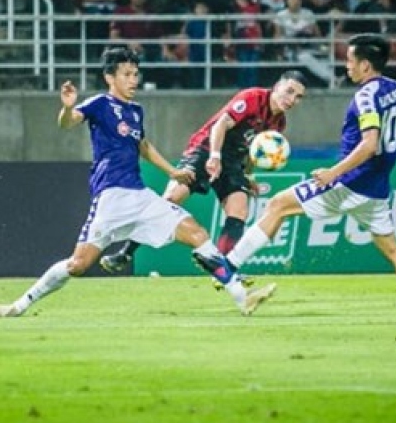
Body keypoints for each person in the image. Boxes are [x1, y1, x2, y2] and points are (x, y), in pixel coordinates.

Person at [0, 47, 273, 318]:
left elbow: (143, 146)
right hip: (111, 196)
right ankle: (20, 304)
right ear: (109, 77)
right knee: (78, 265)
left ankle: (242, 298)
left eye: (135, 74)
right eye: (126, 74)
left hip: (139, 195)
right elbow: (69, 122)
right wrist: (66, 108)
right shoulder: (100, 104)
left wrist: (172, 173)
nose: (133, 79)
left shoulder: (136, 111)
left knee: (196, 234)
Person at [220, 34, 396, 327]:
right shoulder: (393, 89)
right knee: (393, 250)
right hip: (377, 190)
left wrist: (334, 173)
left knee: (279, 205)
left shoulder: (366, 96)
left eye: (350, 60)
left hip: (349, 182)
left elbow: (369, 144)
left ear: (366, 65)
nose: (346, 67)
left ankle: (227, 265)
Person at [99, 70, 308, 278]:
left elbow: (253, 152)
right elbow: (220, 125)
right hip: (206, 149)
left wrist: (248, 176)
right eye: (289, 91)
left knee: (239, 210)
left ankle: (221, 269)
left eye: (298, 97)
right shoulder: (252, 98)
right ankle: (125, 253)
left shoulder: (278, 124)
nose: (291, 100)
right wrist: (214, 156)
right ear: (277, 86)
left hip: (233, 162)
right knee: (171, 199)